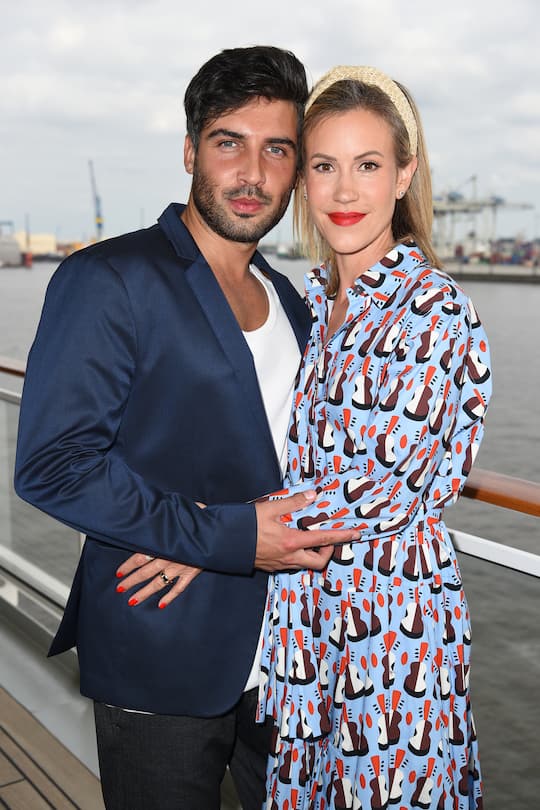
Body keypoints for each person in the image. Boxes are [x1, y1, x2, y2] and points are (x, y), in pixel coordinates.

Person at [14, 47, 360, 810]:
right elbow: (53, 467)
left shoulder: (290, 300)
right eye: (229, 142)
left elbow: (302, 456)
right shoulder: (111, 278)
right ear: (189, 151)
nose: (252, 173)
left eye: (278, 150)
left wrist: (220, 540)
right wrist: (225, 538)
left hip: (286, 654)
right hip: (163, 650)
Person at [257, 66, 491, 809]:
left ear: (404, 175)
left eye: (367, 165)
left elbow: (380, 486)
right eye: (324, 166)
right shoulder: (316, 304)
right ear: (303, 182)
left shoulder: (432, 310)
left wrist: (213, 535)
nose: (344, 191)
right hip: (310, 614)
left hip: (392, 626)